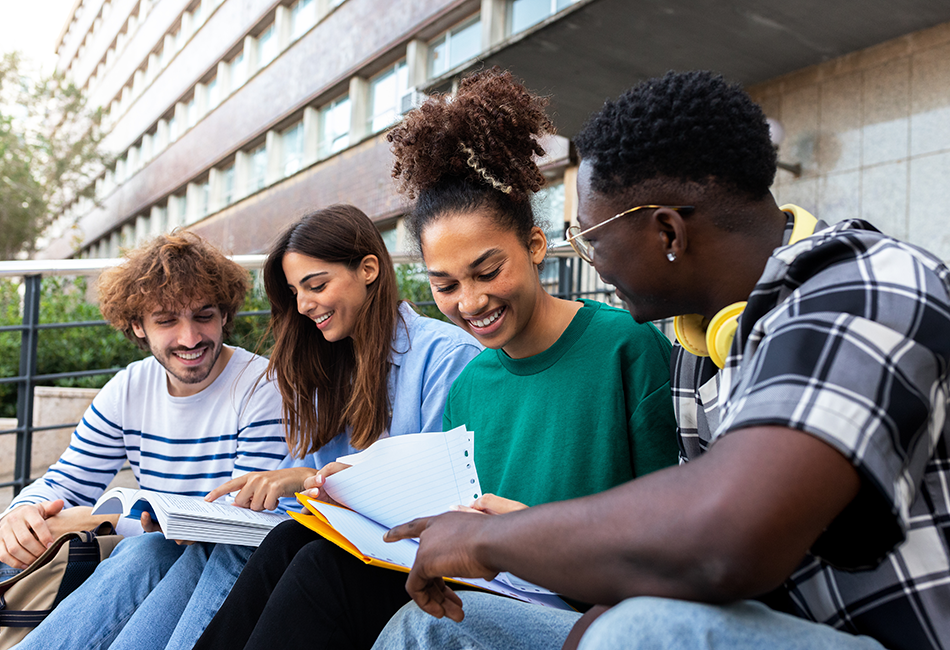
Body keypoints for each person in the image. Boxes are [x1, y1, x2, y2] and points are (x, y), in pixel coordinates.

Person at [372, 70, 950, 650]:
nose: (589, 262)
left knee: (635, 630)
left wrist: (489, 542)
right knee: (437, 630)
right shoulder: (697, 353)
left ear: (668, 232)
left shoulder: (867, 287)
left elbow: (724, 539)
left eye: (591, 239)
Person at [194, 68, 678, 650]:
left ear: (535, 245)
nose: (470, 302)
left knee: (336, 584)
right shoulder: (473, 382)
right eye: (445, 285)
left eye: (488, 271)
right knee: (302, 551)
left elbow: (670, 534)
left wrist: (523, 531)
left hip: (585, 605)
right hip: (493, 586)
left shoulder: (626, 347)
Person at [2, 231, 287, 650]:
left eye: (203, 315)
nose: (190, 338)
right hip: (154, 556)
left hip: (223, 567)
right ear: (138, 325)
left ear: (225, 314)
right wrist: (22, 511)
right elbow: (66, 480)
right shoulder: (129, 388)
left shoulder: (261, 386)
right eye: (167, 320)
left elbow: (241, 521)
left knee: (147, 551)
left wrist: (103, 520)